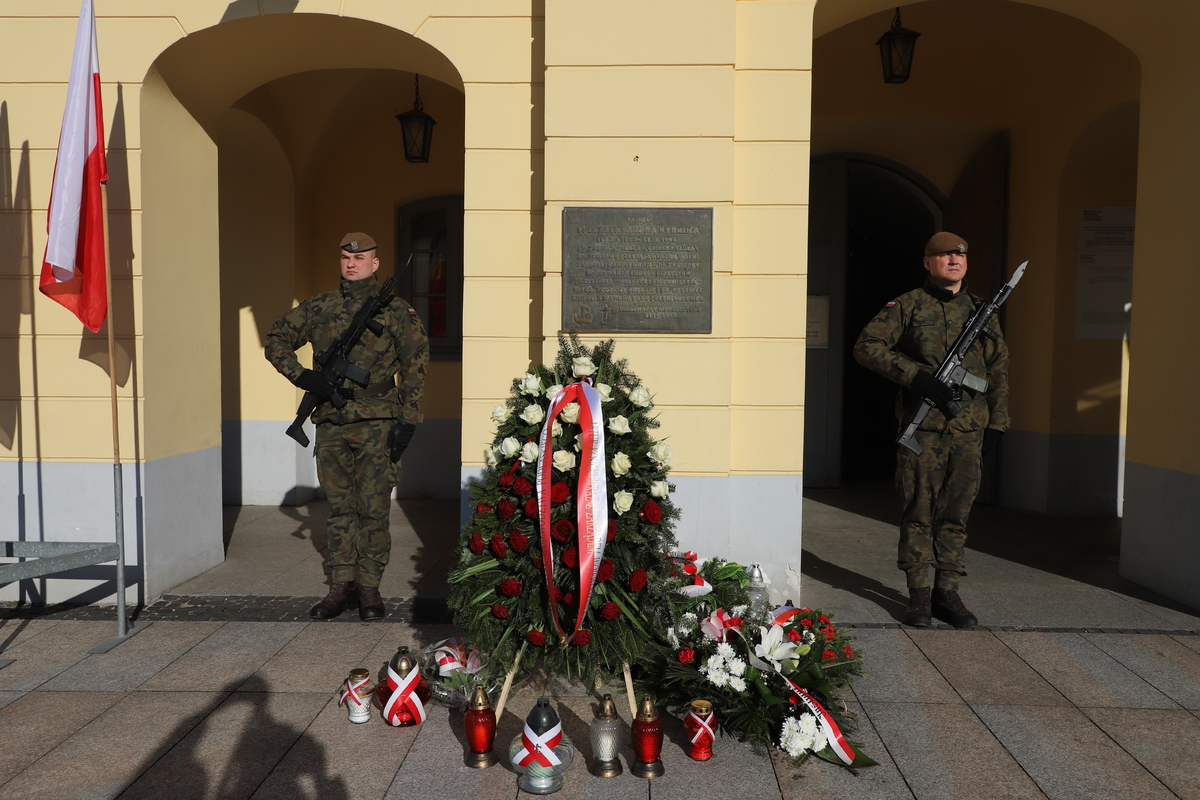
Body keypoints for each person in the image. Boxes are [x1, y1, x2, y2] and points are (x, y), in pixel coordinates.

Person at [266, 232, 428, 621]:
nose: (351, 263)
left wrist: (409, 420)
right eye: (345, 257)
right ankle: (342, 585)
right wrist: (303, 376)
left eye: (360, 258)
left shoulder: (396, 312)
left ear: (375, 264)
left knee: (373, 508)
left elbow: (416, 366)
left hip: (377, 422)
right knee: (340, 509)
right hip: (331, 423)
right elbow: (276, 339)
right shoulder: (319, 306)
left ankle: (369, 587)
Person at [853, 232, 1009, 628]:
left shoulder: (981, 311)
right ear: (928, 262)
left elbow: (998, 369)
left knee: (957, 515)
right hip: (922, 431)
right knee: (919, 511)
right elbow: (867, 346)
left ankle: (947, 592)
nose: (954, 260)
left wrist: (998, 423)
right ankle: (919, 593)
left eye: (960, 255)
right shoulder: (907, 305)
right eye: (945, 255)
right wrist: (916, 377)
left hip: (968, 430)